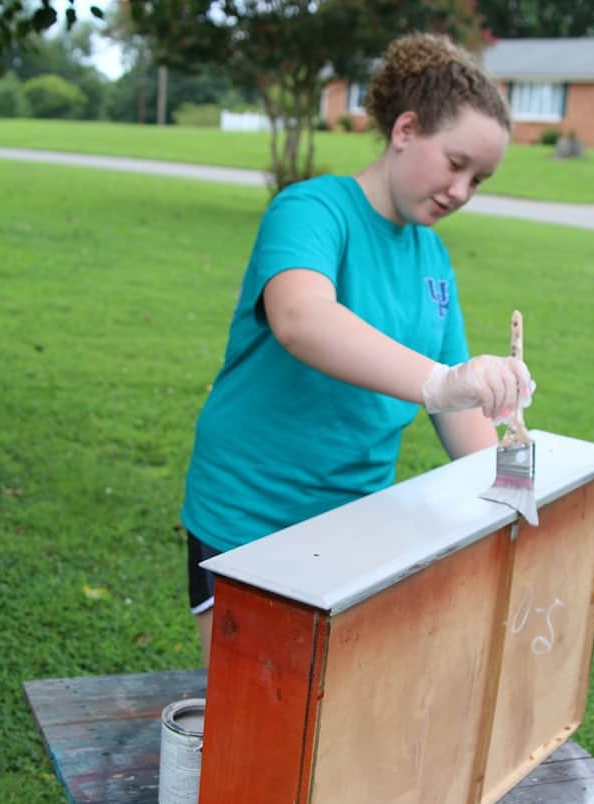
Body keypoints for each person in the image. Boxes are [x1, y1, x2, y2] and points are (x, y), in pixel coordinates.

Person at [182, 32, 534, 664]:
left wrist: (517, 481)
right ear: (405, 129)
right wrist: (441, 381)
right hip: (248, 515)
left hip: (356, 526)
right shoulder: (313, 210)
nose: (461, 191)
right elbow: (301, 318)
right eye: (455, 163)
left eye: (478, 180)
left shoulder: (432, 257)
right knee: (258, 712)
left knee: (339, 709)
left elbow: (457, 407)